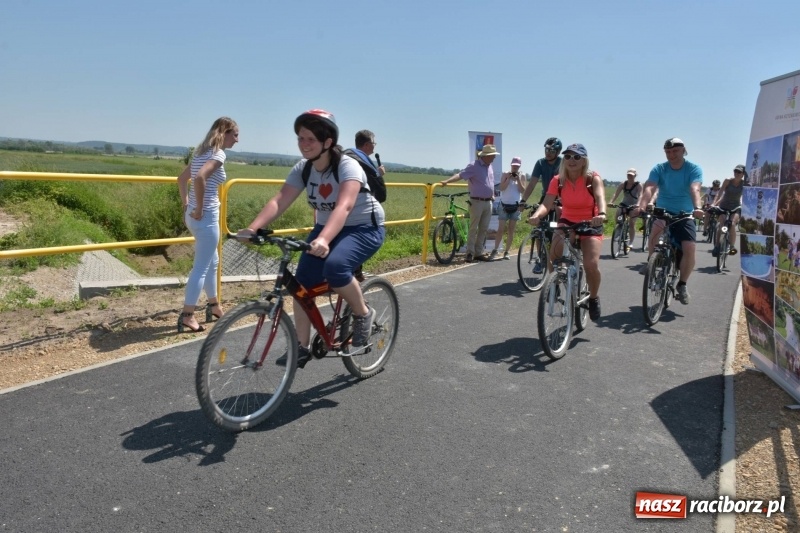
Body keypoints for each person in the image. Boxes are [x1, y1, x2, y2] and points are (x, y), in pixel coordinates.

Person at [236, 109, 385, 368]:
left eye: (310, 139)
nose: (304, 144)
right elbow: (280, 199)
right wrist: (253, 228)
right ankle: (301, 347)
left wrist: (325, 240)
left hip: (363, 228)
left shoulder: (348, 166)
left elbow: (345, 207)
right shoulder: (304, 169)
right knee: (300, 285)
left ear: (327, 142)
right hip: (328, 227)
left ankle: (363, 313)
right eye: (300, 138)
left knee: (336, 267)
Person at [527, 143, 607, 320]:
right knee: (554, 255)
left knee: (590, 265)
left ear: (584, 160)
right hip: (567, 220)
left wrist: (601, 214)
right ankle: (553, 285)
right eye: (569, 156)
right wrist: (537, 216)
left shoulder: (592, 179)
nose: (572, 160)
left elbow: (601, 197)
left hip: (590, 222)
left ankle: (593, 298)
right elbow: (547, 203)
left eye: (577, 157)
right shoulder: (558, 179)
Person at [176, 117, 239, 333]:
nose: (237, 140)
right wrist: (201, 207)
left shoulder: (201, 152)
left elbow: (181, 179)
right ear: (225, 133)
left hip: (193, 218)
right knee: (201, 267)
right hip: (206, 217)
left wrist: (187, 204)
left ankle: (214, 306)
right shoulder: (218, 154)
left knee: (213, 261)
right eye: (235, 134)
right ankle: (188, 315)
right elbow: (200, 178)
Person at [632, 137, 704, 305]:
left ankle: (682, 284)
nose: (671, 155)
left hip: (684, 213)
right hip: (663, 210)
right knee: (655, 232)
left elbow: (695, 188)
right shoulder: (659, 168)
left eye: (675, 151)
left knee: (689, 248)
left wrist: (697, 207)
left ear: (683, 150)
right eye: (668, 152)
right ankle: (651, 261)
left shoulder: (693, 168)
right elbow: (649, 187)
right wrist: (641, 206)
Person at [439, 144, 499, 262]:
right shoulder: (474, 166)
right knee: (473, 228)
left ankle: (478, 252)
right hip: (477, 201)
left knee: (483, 229)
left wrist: (492, 194)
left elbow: (490, 182)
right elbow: (460, 175)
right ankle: (470, 253)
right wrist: (447, 181)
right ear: (487, 156)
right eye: (493, 155)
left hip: (488, 202)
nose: (494, 158)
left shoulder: (489, 166)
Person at [489, 157, 527, 260]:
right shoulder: (505, 174)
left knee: (511, 230)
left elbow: (522, 190)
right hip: (504, 205)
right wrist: (508, 179)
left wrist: (518, 179)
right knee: (500, 229)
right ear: (511, 165)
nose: (515, 167)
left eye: (517, 166)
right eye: (513, 165)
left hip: (515, 206)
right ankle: (495, 250)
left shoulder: (522, 175)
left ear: (519, 166)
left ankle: (507, 251)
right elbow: (501, 188)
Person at [711, 165, 746, 256]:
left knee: (732, 224)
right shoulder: (727, 181)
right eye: (735, 171)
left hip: (736, 207)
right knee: (722, 225)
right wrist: (714, 204)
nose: (737, 173)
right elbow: (720, 192)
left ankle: (732, 246)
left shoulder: (745, 183)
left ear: (743, 174)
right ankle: (717, 246)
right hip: (723, 206)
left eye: (739, 172)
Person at [521, 137, 563, 209]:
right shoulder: (540, 163)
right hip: (546, 196)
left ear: (558, 152)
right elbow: (532, 183)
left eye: (552, 151)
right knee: (536, 216)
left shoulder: (563, 163)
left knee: (561, 215)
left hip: (561, 196)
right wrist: (523, 201)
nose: (548, 153)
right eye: (547, 149)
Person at [609, 168, 642, 253]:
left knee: (632, 223)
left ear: (635, 175)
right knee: (618, 214)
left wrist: (638, 204)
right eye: (628, 175)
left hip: (634, 205)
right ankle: (619, 229)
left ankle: (630, 242)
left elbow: (641, 195)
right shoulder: (623, 184)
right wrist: (611, 202)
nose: (629, 176)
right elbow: (616, 193)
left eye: (631, 175)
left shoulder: (638, 185)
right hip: (624, 203)